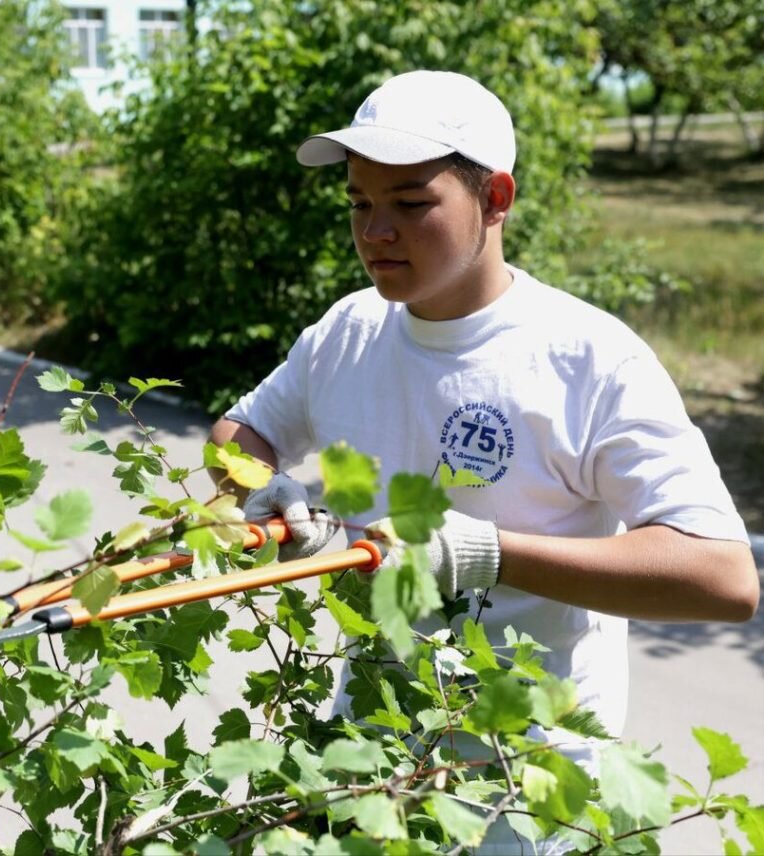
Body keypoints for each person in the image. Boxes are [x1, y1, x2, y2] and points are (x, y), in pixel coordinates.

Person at [209, 69, 758, 845]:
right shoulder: (346, 333)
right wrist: (265, 489)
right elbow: (239, 433)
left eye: (410, 204)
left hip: (529, 784)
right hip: (369, 752)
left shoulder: (586, 358)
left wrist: (486, 553)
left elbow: (724, 577)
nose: (375, 233)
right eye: (359, 204)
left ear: (496, 199)